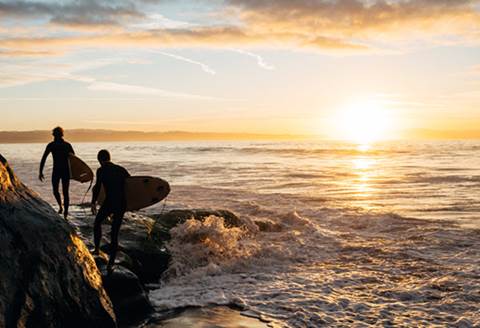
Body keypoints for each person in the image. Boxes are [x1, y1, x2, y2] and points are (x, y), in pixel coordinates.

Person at [91, 149, 130, 274]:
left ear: (99, 160)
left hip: (109, 202)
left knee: (97, 223)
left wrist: (93, 202)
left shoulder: (101, 170)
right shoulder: (121, 169)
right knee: (114, 233)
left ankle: (97, 249)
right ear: (109, 157)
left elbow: (97, 187)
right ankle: (111, 262)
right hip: (121, 203)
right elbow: (132, 186)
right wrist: (135, 204)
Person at [39, 126, 74, 219]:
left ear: (56, 134)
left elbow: (74, 159)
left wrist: (41, 171)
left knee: (62, 192)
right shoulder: (55, 145)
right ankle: (62, 208)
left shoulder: (64, 145)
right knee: (59, 191)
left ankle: (64, 210)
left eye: (54, 134)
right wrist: (40, 171)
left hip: (61, 171)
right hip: (61, 171)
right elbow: (44, 158)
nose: (54, 136)